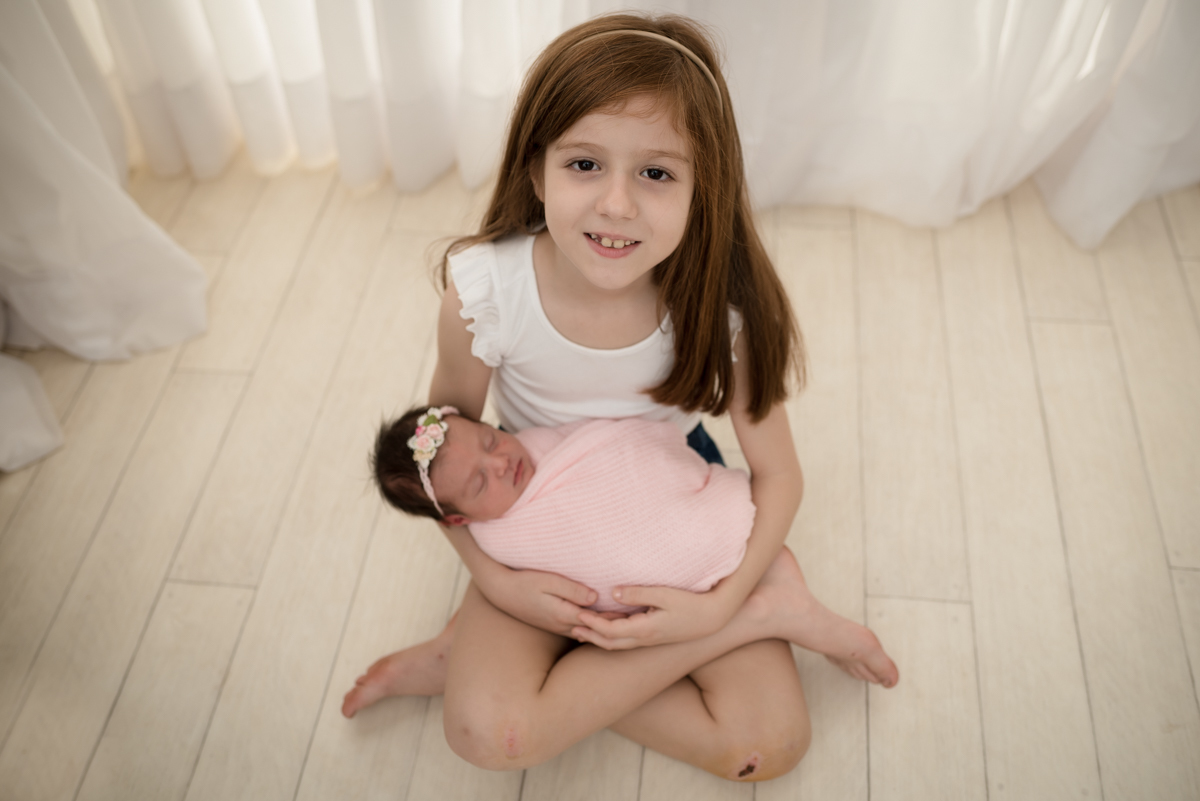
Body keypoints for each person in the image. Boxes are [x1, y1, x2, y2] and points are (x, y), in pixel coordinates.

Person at [343, 13, 898, 782]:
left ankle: (732, 615)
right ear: (536, 170)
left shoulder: (722, 309)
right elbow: (438, 464)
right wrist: (496, 580)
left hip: (666, 500)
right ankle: (484, 650)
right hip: (538, 518)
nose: (616, 204)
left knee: (766, 742)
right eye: (584, 164)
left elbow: (779, 474)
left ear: (704, 189)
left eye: (657, 174)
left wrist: (720, 601)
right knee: (486, 733)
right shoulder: (485, 294)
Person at [372, 407, 757, 612]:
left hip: (669, 491)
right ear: (459, 519)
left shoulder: (534, 440)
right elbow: (587, 555)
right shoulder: (499, 540)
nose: (501, 463)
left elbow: (615, 447)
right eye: (480, 483)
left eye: (490, 441)